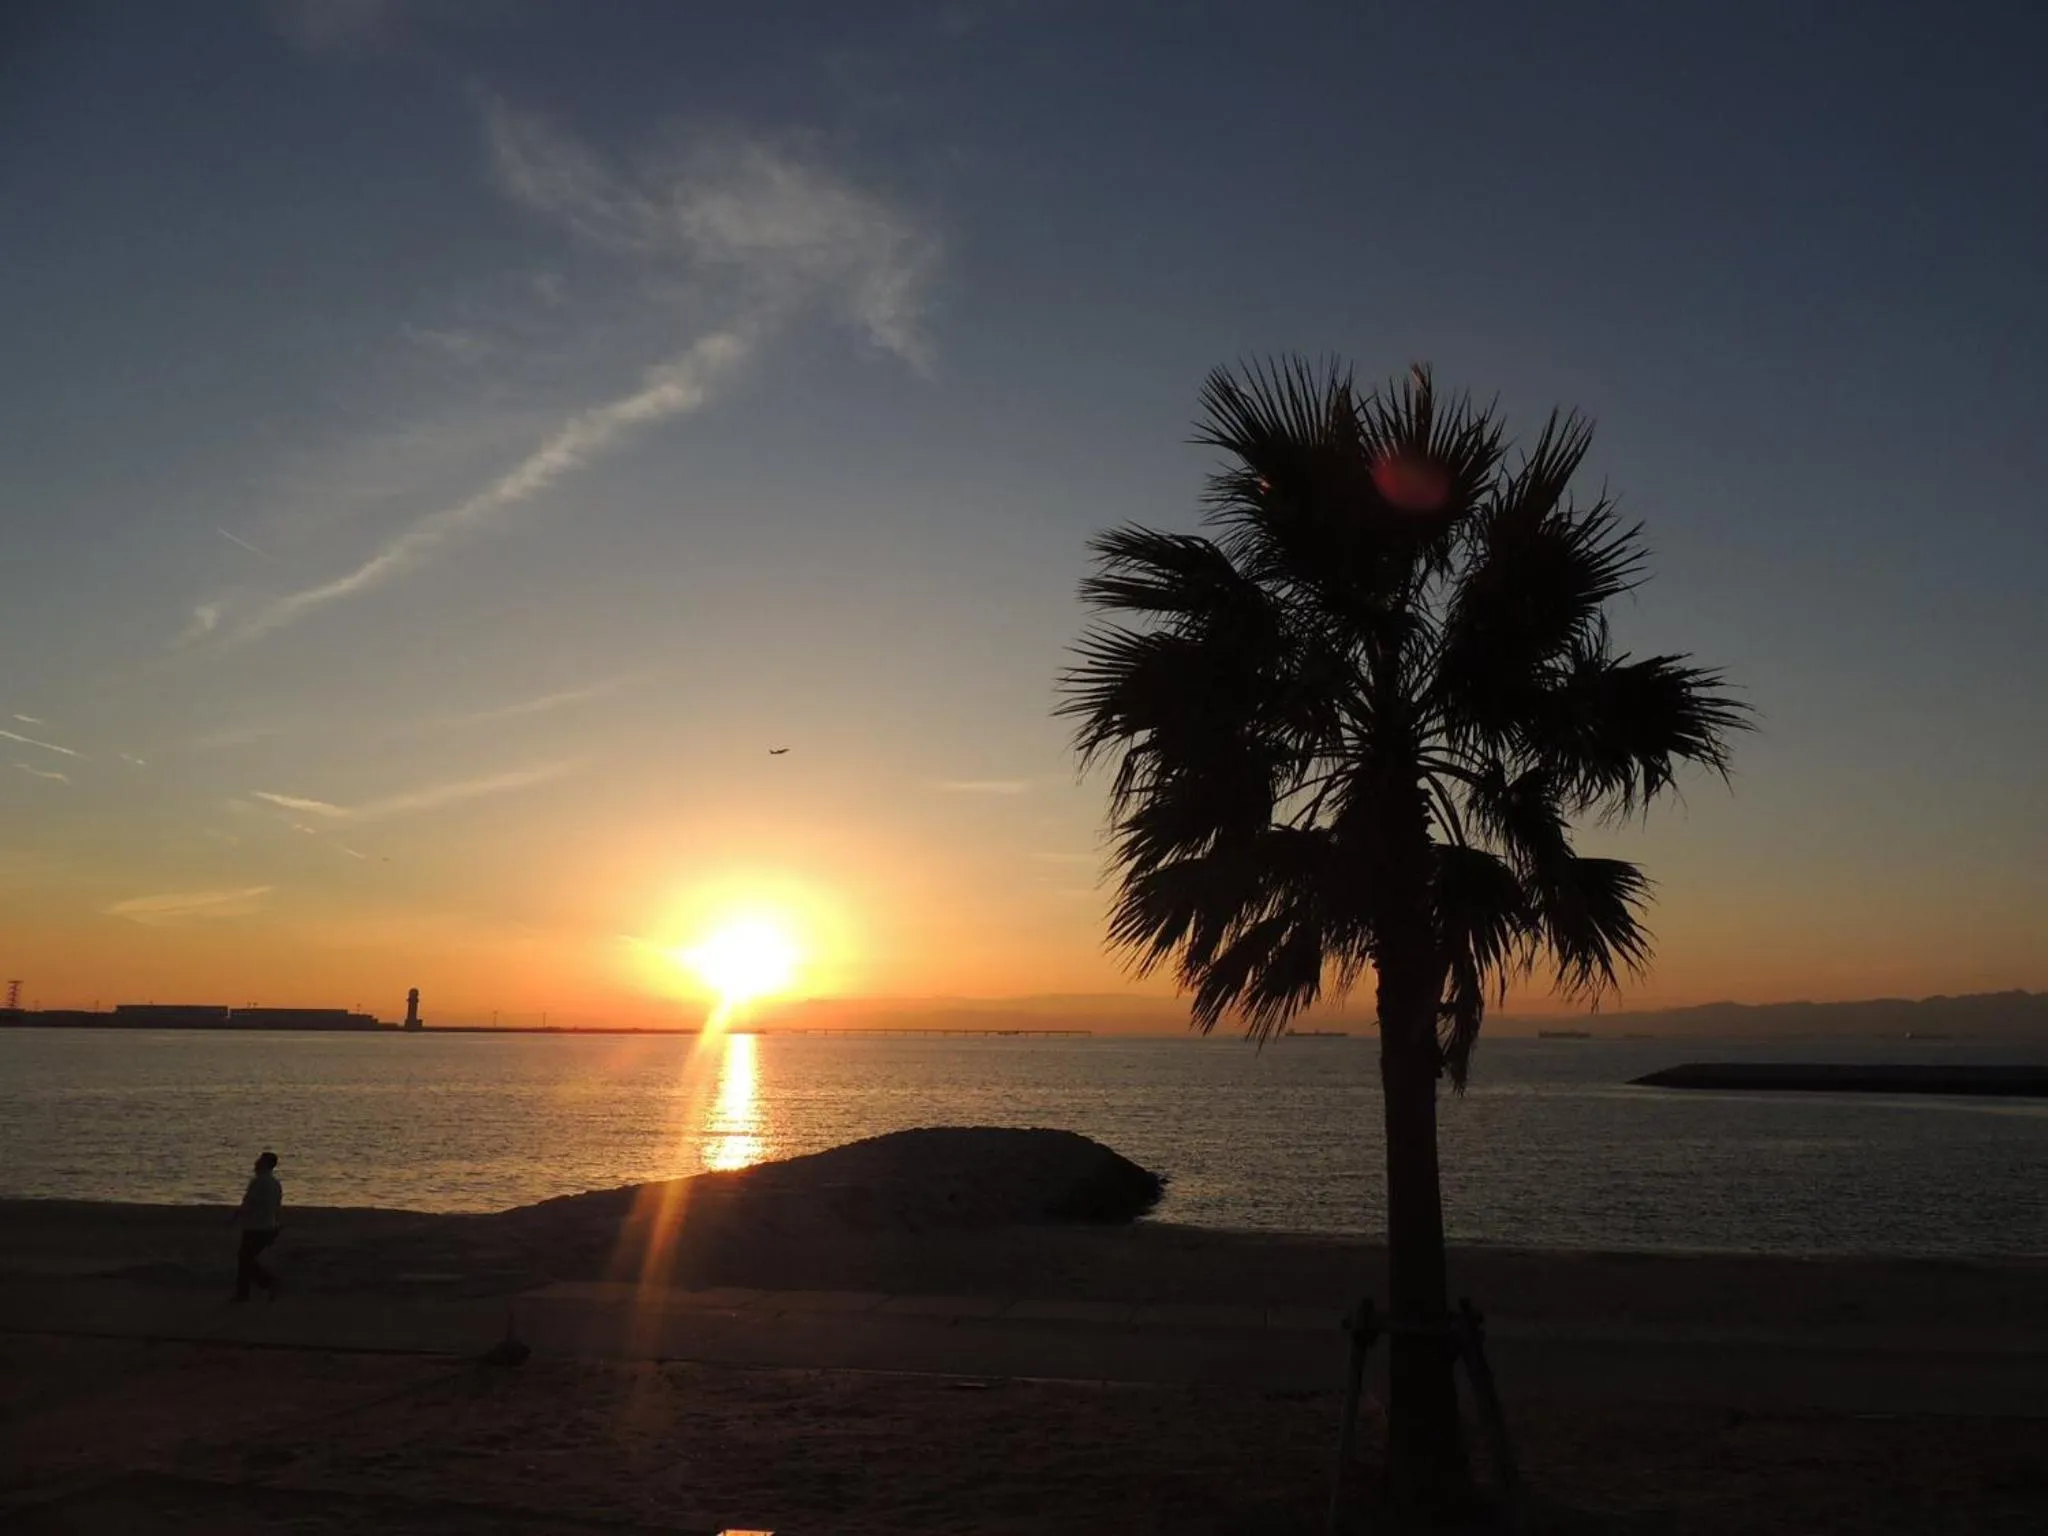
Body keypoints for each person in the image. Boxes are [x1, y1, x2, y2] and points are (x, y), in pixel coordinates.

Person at [229, 1150, 284, 1302]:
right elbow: (277, 1206)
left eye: (259, 1160)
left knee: (245, 1258)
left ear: (265, 1164)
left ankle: (265, 1284)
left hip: (256, 1227)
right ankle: (247, 1291)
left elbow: (248, 1203)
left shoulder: (259, 1182)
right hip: (268, 1226)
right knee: (247, 1258)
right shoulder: (275, 1183)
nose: (256, 1163)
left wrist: (235, 1217)